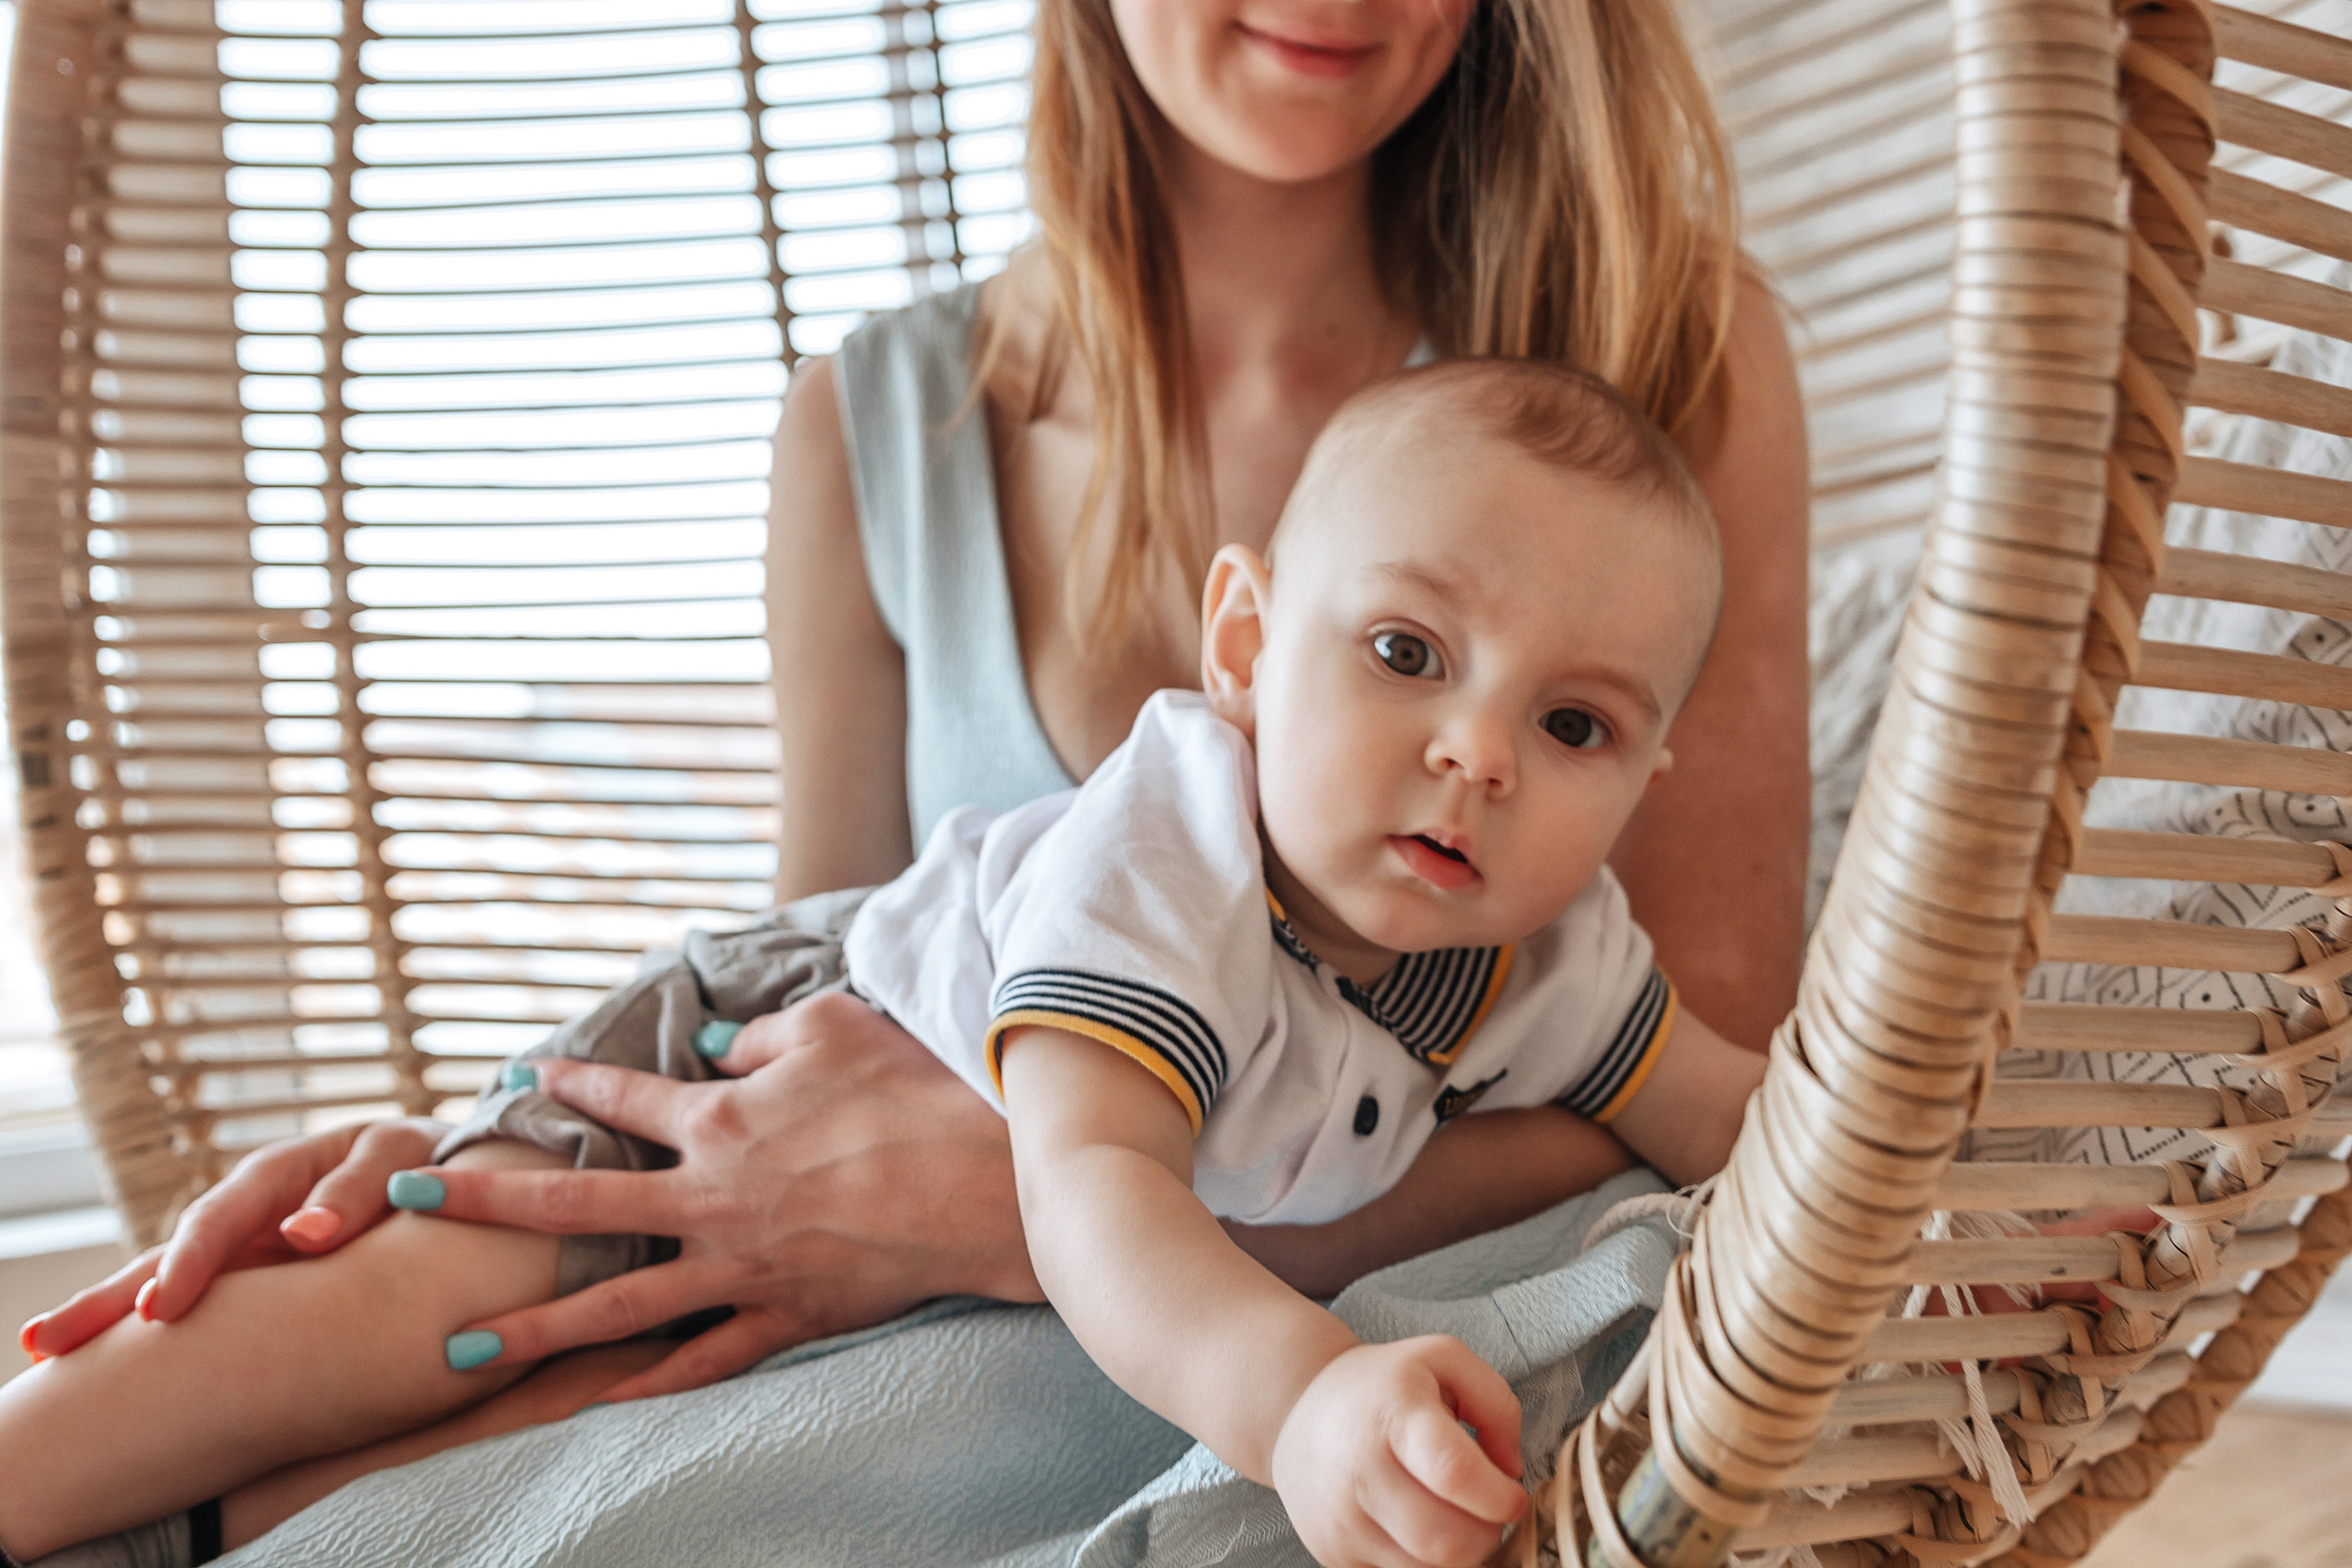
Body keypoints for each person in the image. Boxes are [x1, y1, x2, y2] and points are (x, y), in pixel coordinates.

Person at [20, 0, 1812, 1549]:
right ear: (1244, 638)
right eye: (1403, 652)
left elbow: (1725, 1128)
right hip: (848, 1061)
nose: (1475, 753)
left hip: (1071, 1298)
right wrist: (476, 1138)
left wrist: (1043, 1199)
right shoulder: (880, 432)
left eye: (1567, 725)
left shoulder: (1661, 365)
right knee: (449, 1288)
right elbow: (813, 1060)